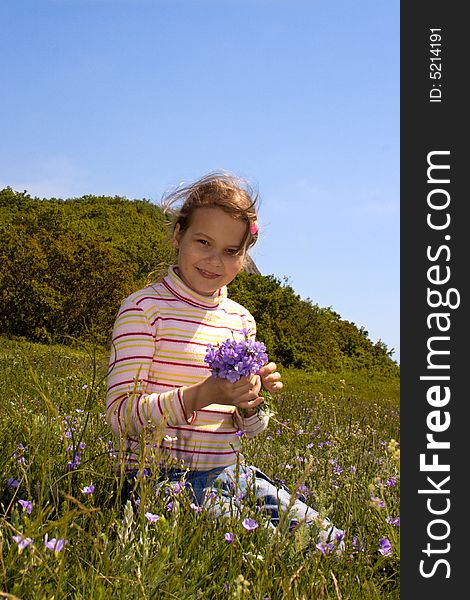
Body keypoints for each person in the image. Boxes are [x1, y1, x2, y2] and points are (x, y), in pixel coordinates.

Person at [106, 171, 344, 549]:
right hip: (158, 480)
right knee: (272, 547)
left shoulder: (240, 320)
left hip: (231, 472)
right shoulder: (145, 309)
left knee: (331, 541)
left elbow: (250, 430)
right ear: (177, 235)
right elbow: (121, 417)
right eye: (203, 241)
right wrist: (205, 394)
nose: (215, 261)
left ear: (244, 255)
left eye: (231, 250)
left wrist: (250, 402)